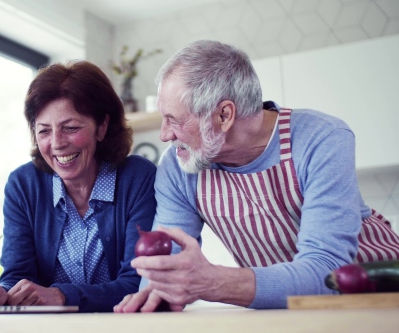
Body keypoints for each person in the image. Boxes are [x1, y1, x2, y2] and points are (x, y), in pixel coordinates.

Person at [113, 40, 399, 312]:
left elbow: (329, 273)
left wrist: (213, 281)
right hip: (286, 308)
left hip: (380, 299)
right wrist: (154, 295)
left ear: (224, 115)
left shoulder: (321, 138)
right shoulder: (178, 167)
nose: (164, 135)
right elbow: (168, 268)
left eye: (174, 120)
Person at [0, 60, 157, 312]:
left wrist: (62, 295)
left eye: (71, 128)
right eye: (44, 131)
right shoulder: (23, 185)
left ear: (102, 127)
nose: (57, 143)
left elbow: (140, 283)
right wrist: (2, 294)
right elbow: (18, 277)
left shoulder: (137, 178)